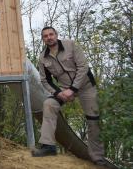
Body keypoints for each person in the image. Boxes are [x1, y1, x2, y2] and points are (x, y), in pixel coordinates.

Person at [32, 26, 106, 165]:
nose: (49, 37)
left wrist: (73, 89)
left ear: (56, 34)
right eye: (45, 36)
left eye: (51, 34)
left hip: (85, 87)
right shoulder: (43, 58)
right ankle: (48, 146)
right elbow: (45, 80)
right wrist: (59, 93)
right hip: (64, 89)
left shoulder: (71, 45)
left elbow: (83, 67)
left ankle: (97, 157)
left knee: (93, 119)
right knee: (49, 104)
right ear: (43, 39)